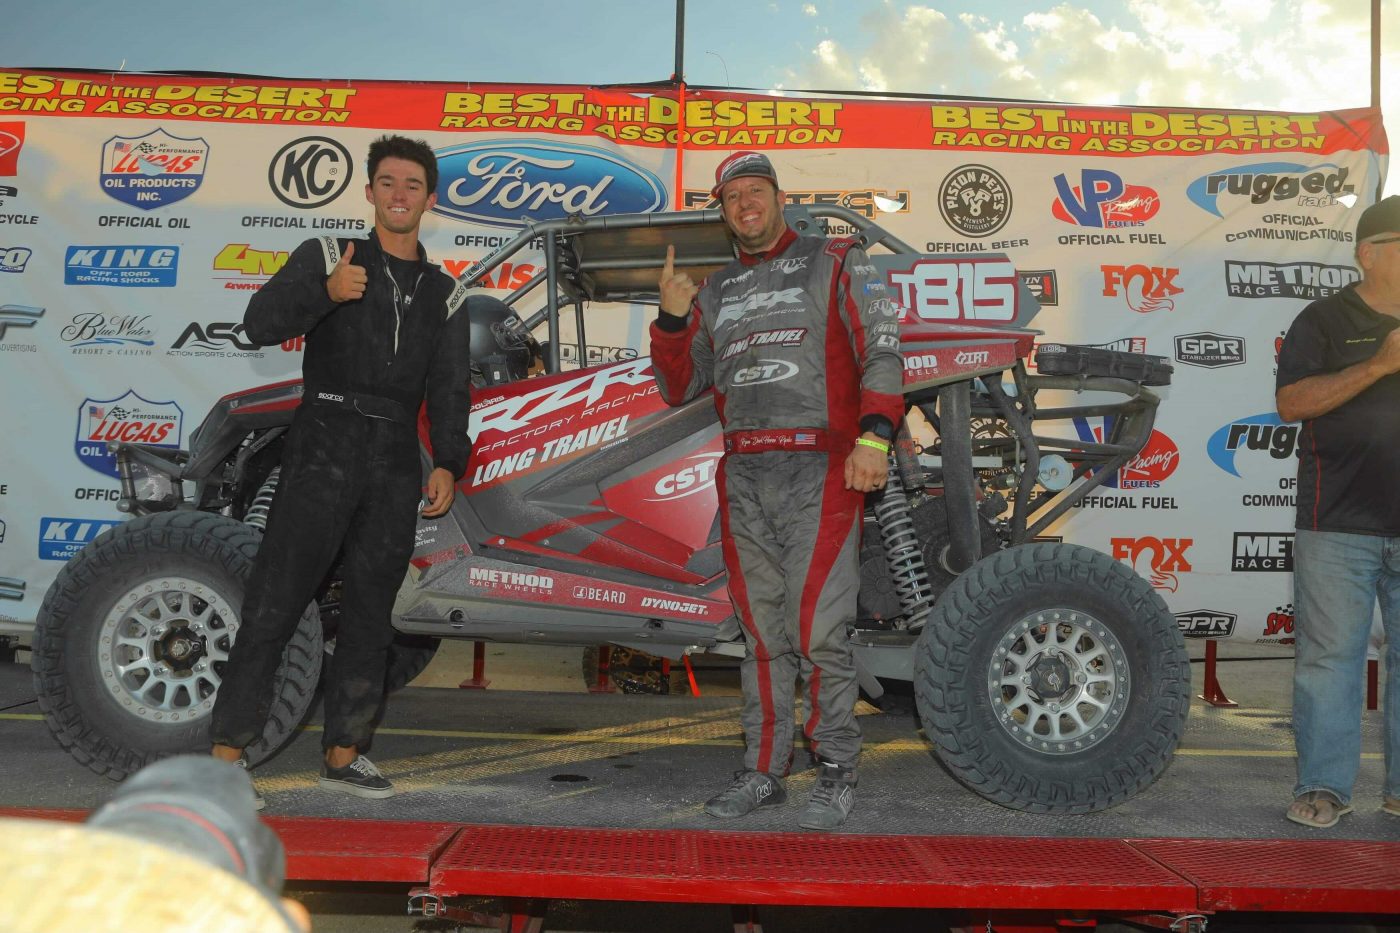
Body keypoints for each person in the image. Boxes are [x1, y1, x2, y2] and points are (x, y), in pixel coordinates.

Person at [210, 135, 472, 802]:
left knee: (369, 618)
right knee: (274, 602)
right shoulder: (330, 256)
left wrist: (447, 459)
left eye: (412, 185)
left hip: (393, 458)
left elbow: (449, 389)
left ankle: (345, 751)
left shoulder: (445, 292)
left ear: (430, 199)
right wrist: (324, 294)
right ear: (369, 192)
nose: (399, 195)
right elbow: (257, 322)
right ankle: (224, 757)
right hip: (322, 439)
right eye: (387, 183)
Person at [651, 151, 903, 830]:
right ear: (725, 210)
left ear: (779, 197)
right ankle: (765, 770)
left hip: (821, 469)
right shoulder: (715, 291)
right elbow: (680, 386)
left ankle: (837, 769)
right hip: (744, 473)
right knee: (763, 636)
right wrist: (673, 321)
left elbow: (882, 347)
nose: (746, 204)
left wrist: (875, 438)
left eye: (755, 191)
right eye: (733, 197)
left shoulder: (837, 259)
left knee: (819, 630)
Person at [1276, 194, 1400, 829]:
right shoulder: (1323, 321)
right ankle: (1325, 785)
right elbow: (1292, 403)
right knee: (1329, 660)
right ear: (1369, 254)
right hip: (1338, 522)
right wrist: (1380, 364)